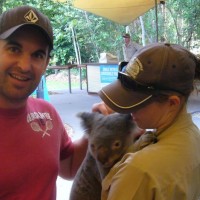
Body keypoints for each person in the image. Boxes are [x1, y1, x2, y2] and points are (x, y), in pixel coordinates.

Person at [0, 5, 88, 199]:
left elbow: (69, 167)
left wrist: (96, 129)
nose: (24, 66)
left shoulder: (46, 113)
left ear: (46, 63)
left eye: (38, 55)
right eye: (14, 49)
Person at [92, 43, 200, 199]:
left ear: (172, 103)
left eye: (137, 103)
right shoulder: (193, 136)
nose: (128, 110)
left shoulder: (138, 171)